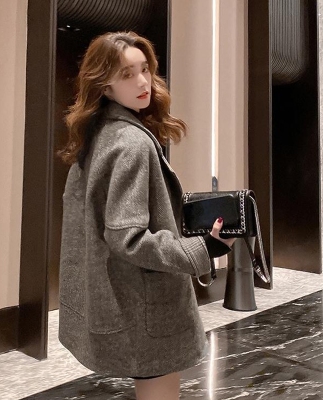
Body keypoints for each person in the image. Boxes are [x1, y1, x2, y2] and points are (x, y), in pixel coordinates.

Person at [58, 31, 235, 400]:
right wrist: (203, 248)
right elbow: (128, 237)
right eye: (127, 74)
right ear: (104, 84)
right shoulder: (132, 143)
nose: (142, 82)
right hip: (146, 305)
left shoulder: (98, 134)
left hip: (120, 297)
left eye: (145, 70)